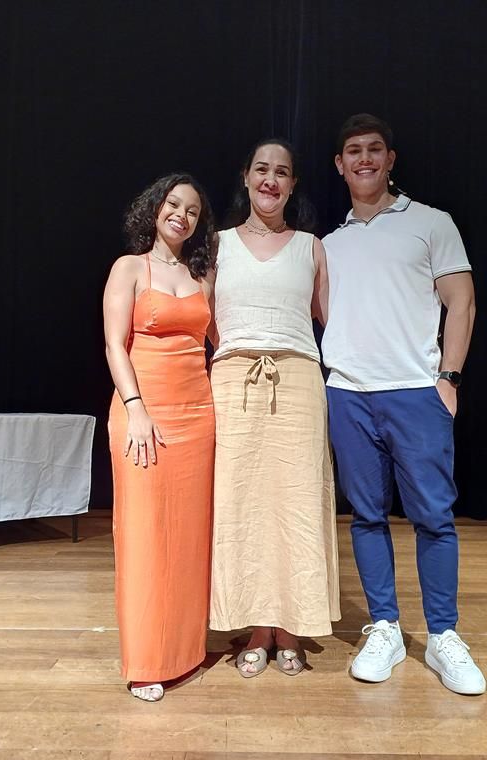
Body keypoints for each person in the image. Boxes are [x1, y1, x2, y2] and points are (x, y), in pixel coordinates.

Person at [321, 114, 486, 695]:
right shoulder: (329, 244)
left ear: (390, 159)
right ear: (339, 165)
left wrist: (449, 379)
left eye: (374, 149)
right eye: (353, 151)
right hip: (348, 393)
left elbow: (461, 303)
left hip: (416, 393)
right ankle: (385, 628)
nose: (364, 159)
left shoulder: (431, 223)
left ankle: (443, 635)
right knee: (367, 517)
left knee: (433, 518)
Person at [208, 138, 340, 677]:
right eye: (261, 169)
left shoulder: (311, 247)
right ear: (245, 176)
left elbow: (331, 318)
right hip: (234, 381)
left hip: (299, 381)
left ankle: (290, 626)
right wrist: (238, 352)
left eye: (281, 172)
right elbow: (205, 318)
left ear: (293, 184)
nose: (270, 179)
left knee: (296, 502)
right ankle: (253, 625)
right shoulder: (216, 245)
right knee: (240, 504)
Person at [103, 173, 216, 702]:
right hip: (143, 415)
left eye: (192, 210)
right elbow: (114, 345)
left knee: (190, 538)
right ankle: (147, 660)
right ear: (155, 208)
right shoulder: (129, 267)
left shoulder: (201, 276)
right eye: (173, 204)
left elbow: (219, 340)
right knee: (145, 537)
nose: (181, 215)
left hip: (198, 418)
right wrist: (136, 409)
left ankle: (186, 651)